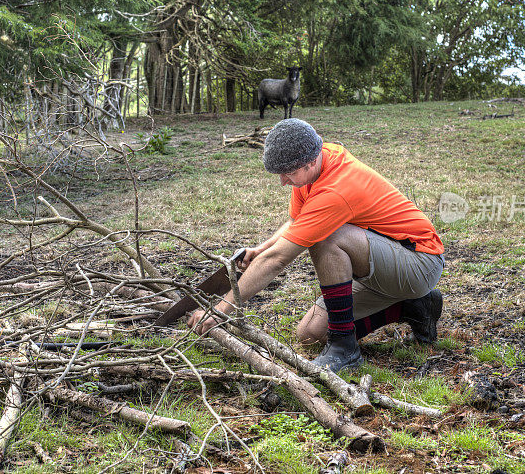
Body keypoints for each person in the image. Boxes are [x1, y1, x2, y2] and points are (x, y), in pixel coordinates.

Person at [188, 118, 445, 372]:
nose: (283, 182)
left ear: (311, 161)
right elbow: (296, 222)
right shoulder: (315, 165)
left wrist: (221, 310)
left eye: (289, 173)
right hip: (381, 263)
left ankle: (345, 349)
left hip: (419, 263)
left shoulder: (336, 190)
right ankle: (414, 307)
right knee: (310, 333)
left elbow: (277, 260)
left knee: (327, 236)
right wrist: (260, 250)